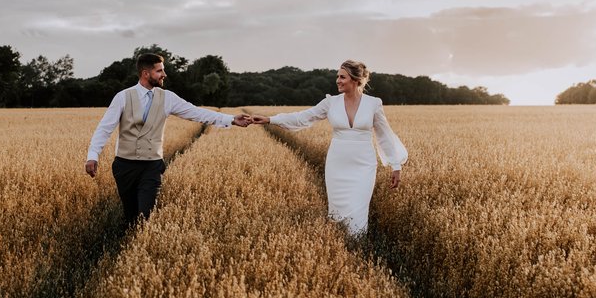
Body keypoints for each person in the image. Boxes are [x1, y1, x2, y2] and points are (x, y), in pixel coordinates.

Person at [87, 53, 252, 226]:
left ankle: (143, 243)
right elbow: (105, 128)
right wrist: (93, 155)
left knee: (145, 216)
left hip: (152, 166)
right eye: (159, 71)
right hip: (125, 166)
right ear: (145, 73)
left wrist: (231, 119)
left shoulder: (168, 98)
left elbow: (197, 113)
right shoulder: (122, 97)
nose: (164, 75)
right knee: (130, 216)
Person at [250, 60, 407, 235]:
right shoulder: (330, 103)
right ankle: (341, 248)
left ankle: (357, 245)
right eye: (337, 77)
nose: (337, 81)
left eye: (342, 77)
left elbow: (384, 134)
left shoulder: (373, 103)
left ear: (355, 79)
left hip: (364, 165)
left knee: (359, 210)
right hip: (337, 165)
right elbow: (303, 117)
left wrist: (396, 166)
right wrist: (270, 119)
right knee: (338, 212)